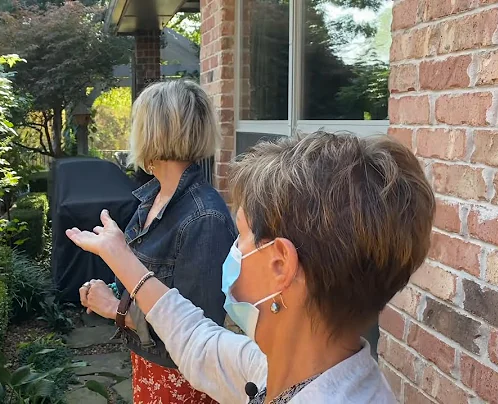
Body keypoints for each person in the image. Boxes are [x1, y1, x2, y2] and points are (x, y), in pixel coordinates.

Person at [69, 132, 435, 404]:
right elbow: (196, 339)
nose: (232, 250)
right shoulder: (279, 366)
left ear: (280, 265)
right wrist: (119, 255)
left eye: (242, 235)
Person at [79, 80, 237, 403]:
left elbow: (198, 338)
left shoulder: (205, 218)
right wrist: (109, 290)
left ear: (154, 131)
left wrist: (112, 309)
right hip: (149, 374)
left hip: (181, 389)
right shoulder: (152, 199)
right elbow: (147, 286)